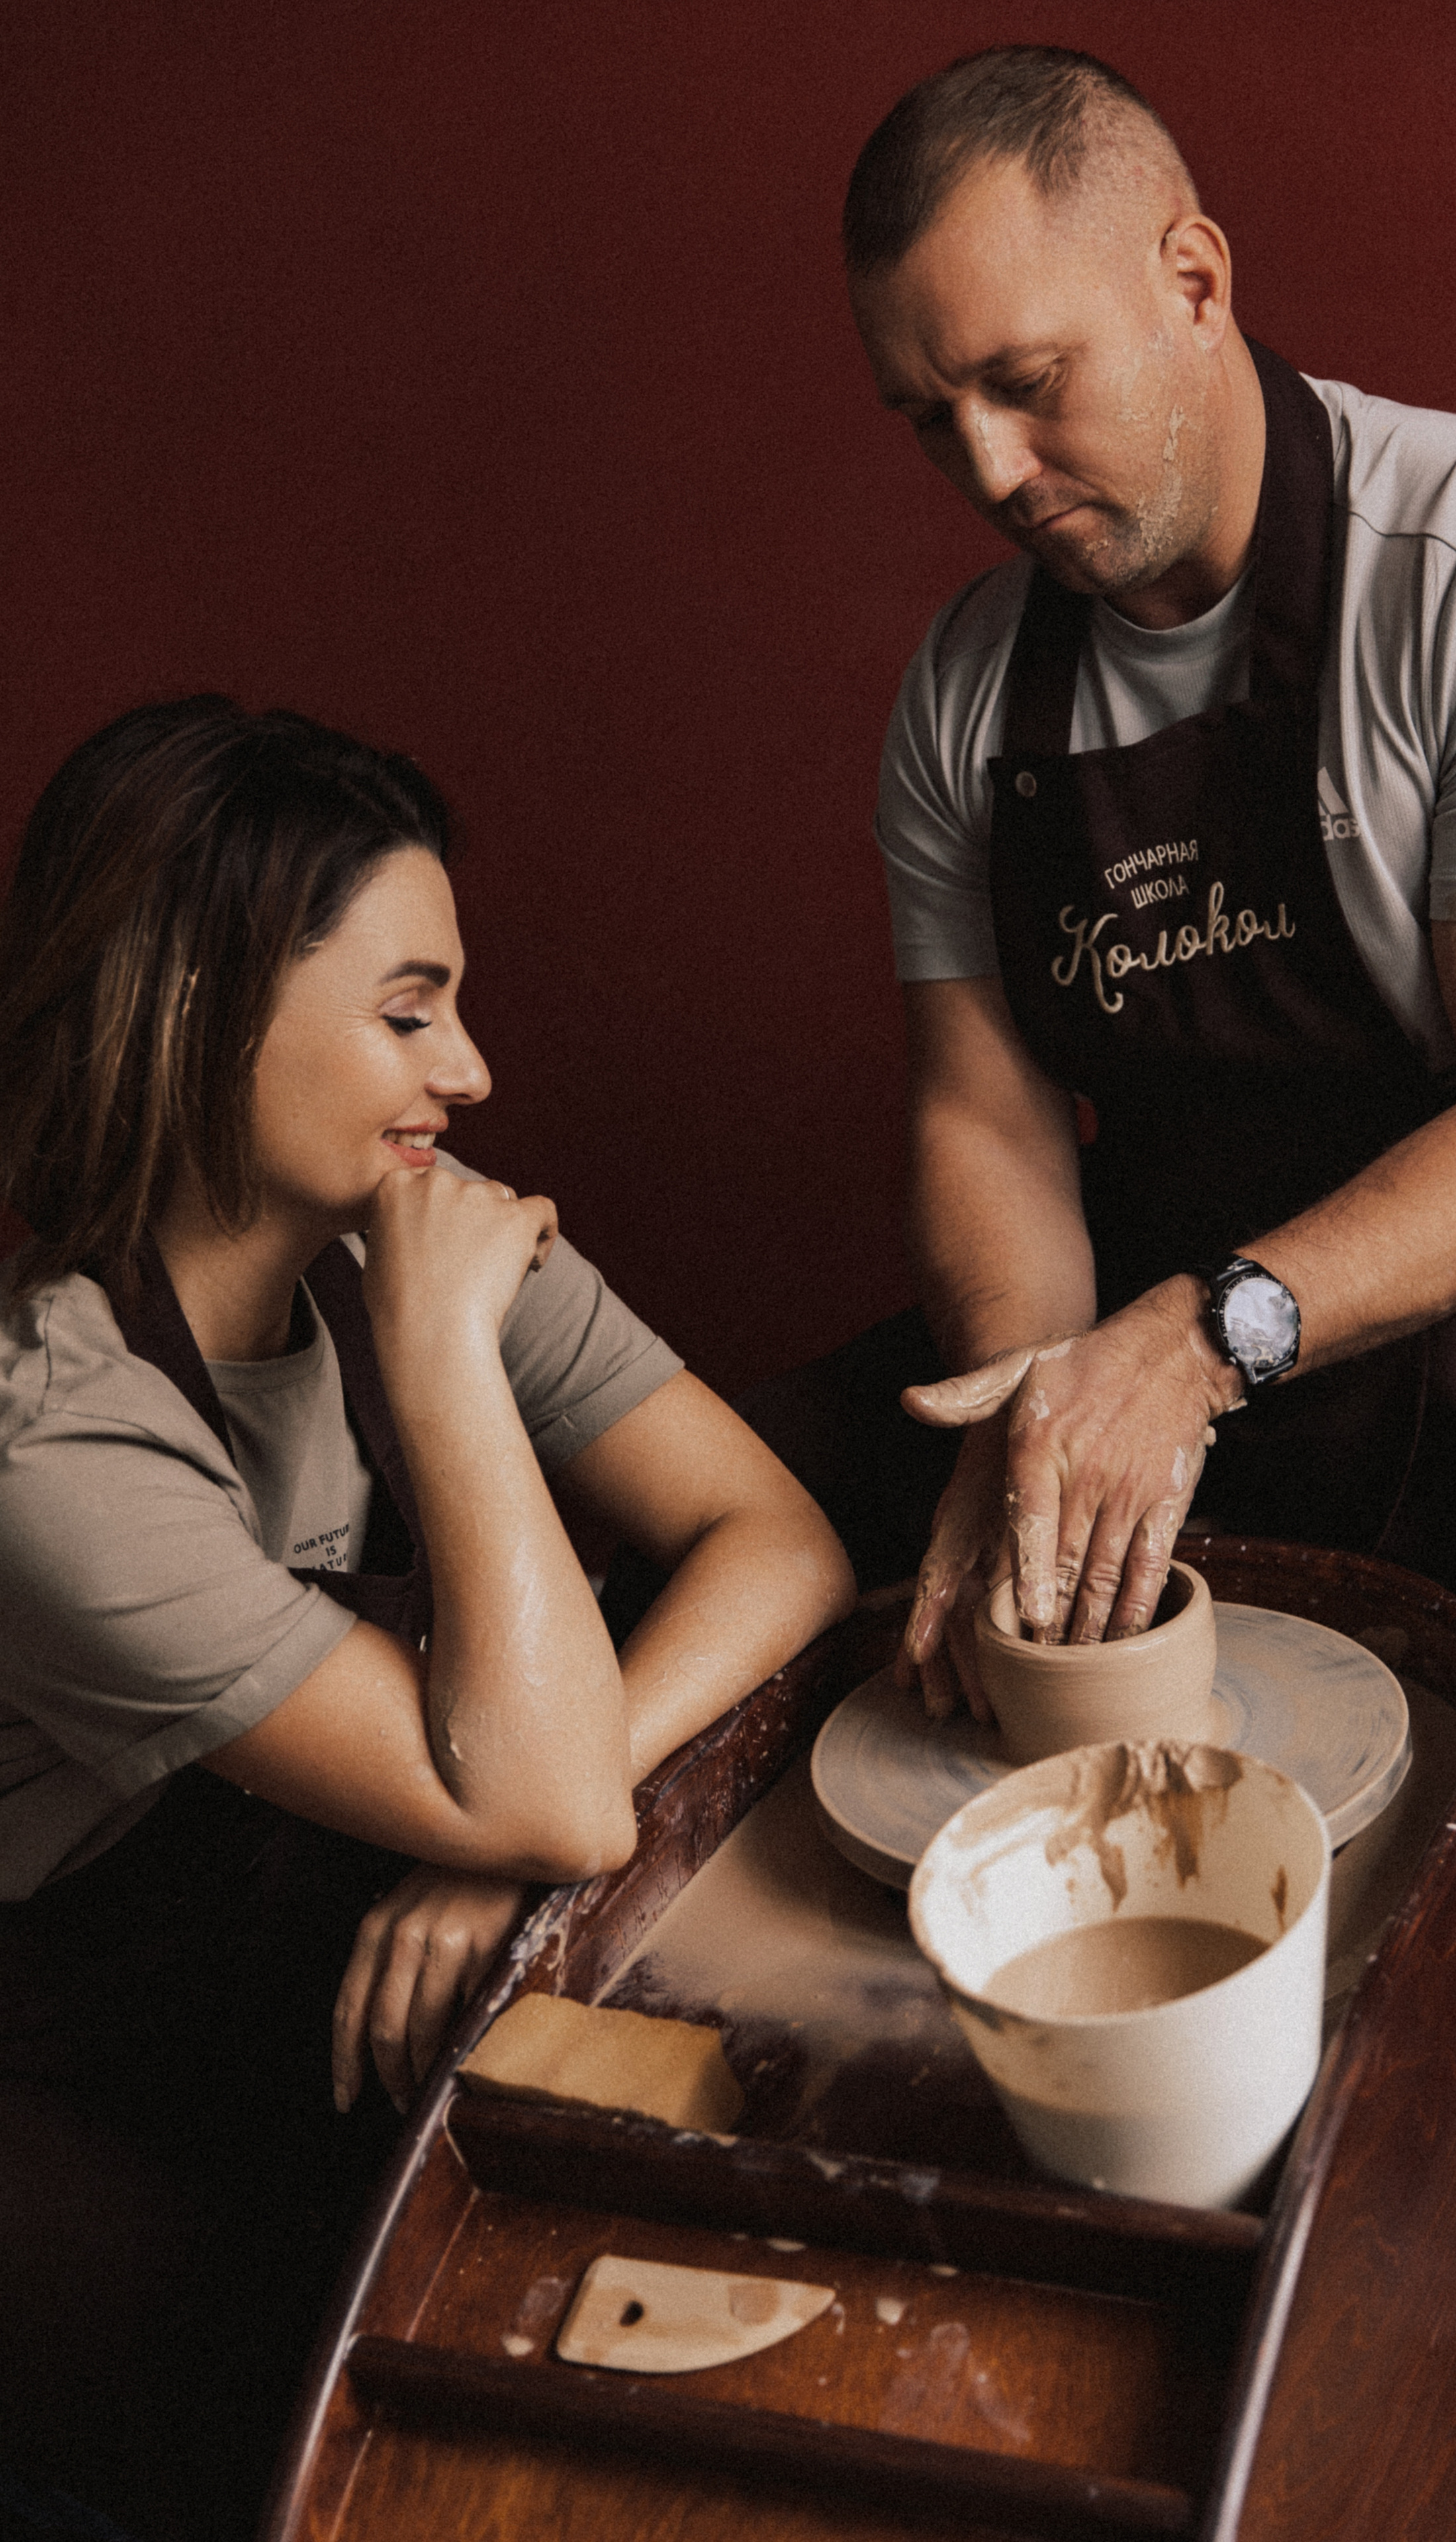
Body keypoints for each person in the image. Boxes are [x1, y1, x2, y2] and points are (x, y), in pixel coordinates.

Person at [737, 44, 1456, 1893]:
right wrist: (1036, 1410)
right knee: (745, 1506)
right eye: (931, 420)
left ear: (1193, 279)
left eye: (1028, 384)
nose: (989, 471)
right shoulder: (970, 691)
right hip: (1171, 1276)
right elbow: (986, 1119)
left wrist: (1193, 1351)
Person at [0, 696, 854, 2539]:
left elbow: (778, 1541)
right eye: (407, 1013)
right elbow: (549, 1802)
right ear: (201, 1007)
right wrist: (451, 1362)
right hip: (92, 2122)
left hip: (332, 2001)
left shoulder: (416, 1225)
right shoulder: (51, 1431)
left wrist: (494, 1839)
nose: (467, 1070)